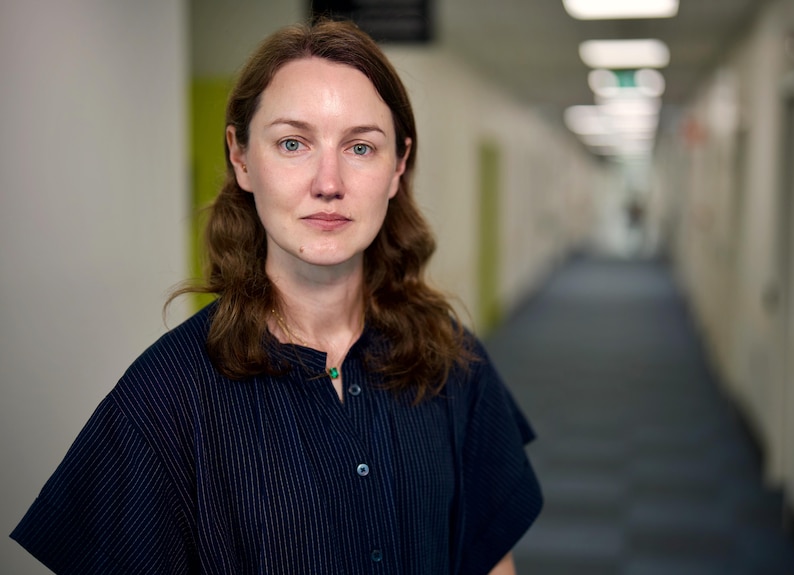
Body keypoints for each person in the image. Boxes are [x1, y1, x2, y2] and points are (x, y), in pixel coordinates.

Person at [11, 19, 542, 575]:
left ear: (398, 166)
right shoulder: (167, 397)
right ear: (241, 157)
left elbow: (491, 563)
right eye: (293, 143)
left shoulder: (451, 361)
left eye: (361, 147)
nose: (328, 181)